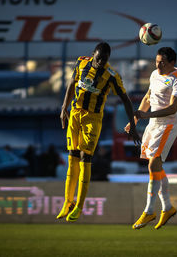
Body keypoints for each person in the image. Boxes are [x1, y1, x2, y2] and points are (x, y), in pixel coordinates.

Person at [57, 42, 141, 222]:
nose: (101, 62)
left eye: (105, 59)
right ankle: (67, 203)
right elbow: (72, 83)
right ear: (93, 54)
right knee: (72, 156)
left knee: (85, 158)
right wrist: (64, 106)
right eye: (98, 58)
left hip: (92, 119)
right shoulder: (81, 63)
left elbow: (126, 100)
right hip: (75, 113)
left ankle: (79, 206)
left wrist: (133, 125)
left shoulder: (112, 76)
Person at [125, 47, 177, 230]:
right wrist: (135, 119)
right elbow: (147, 97)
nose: (158, 64)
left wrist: (147, 116)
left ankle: (149, 211)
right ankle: (167, 207)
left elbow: (173, 109)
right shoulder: (154, 74)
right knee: (156, 167)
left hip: (168, 125)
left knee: (153, 164)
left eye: (162, 62)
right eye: (156, 61)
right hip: (153, 125)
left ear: (172, 63)